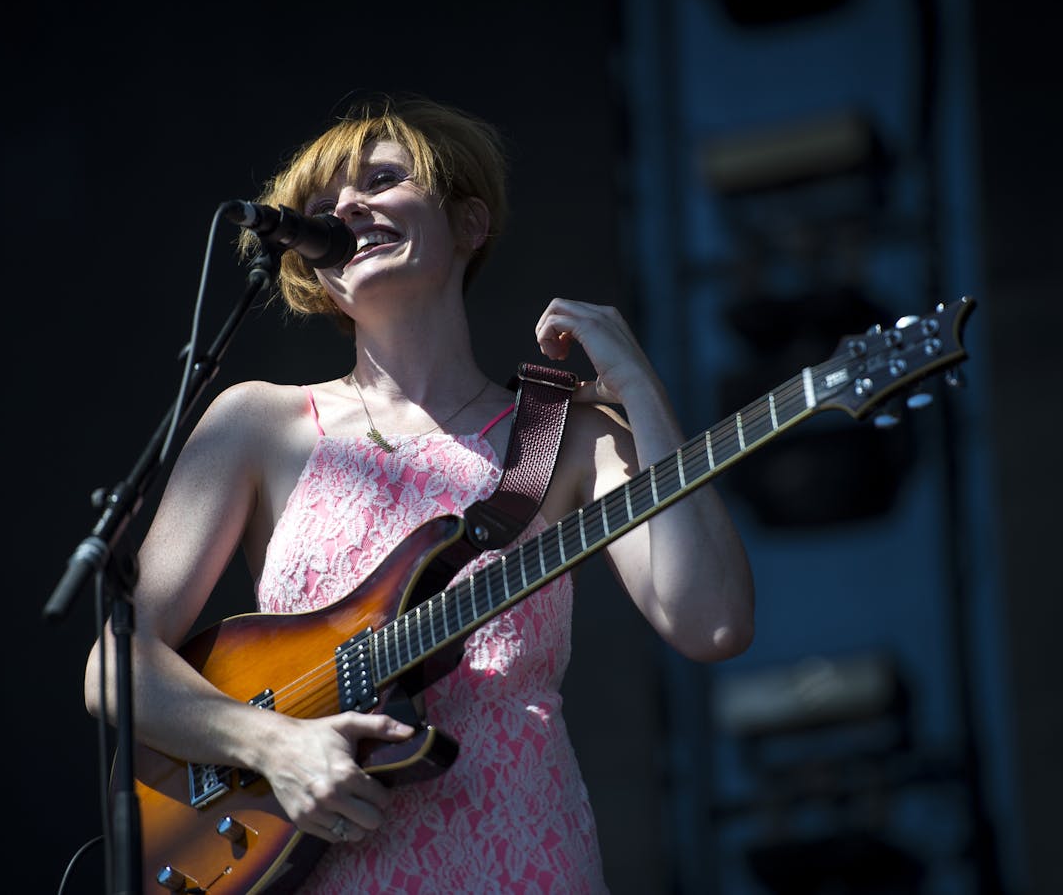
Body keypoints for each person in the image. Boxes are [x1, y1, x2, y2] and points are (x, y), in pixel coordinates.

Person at [84, 94, 754, 893]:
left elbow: (710, 622)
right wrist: (273, 746)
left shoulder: (560, 432)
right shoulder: (256, 424)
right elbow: (117, 664)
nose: (347, 207)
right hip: (321, 867)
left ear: (469, 225)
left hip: (523, 856)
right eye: (323, 205)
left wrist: (640, 391)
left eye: (382, 179)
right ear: (315, 271)